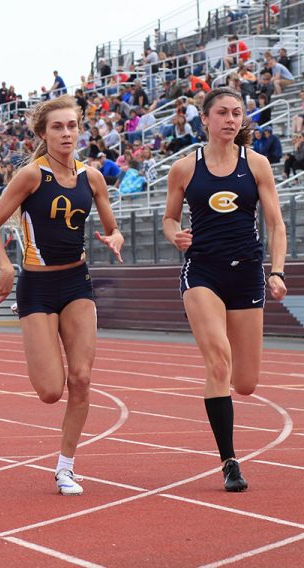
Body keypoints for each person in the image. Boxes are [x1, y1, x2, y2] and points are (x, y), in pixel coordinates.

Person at [0, 95, 124, 496]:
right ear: (43, 134)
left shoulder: (92, 178)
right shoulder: (31, 176)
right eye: (57, 127)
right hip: (37, 286)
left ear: (80, 129)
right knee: (50, 391)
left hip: (77, 283)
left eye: (72, 126)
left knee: (81, 379)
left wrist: (114, 238)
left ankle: (65, 467)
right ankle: (29, 322)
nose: (66, 133)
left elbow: (113, 227)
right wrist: (7, 267)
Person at [162, 87, 287, 492]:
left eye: (237, 113)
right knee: (219, 360)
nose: (231, 119)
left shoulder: (258, 165)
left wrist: (277, 271)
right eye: (222, 113)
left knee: (246, 381)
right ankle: (230, 462)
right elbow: (168, 218)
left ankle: (226, 402)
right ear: (206, 120)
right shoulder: (184, 168)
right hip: (202, 273)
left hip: (247, 273)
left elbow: (276, 224)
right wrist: (176, 236)